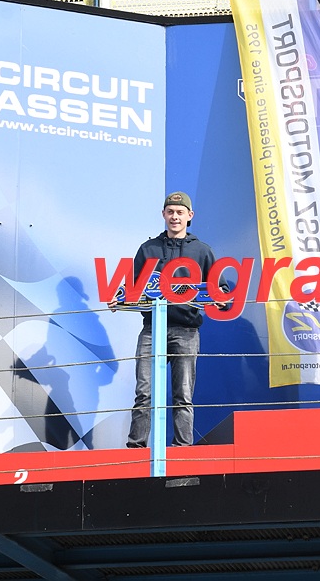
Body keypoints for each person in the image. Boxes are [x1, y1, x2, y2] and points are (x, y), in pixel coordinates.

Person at [111, 191, 228, 447]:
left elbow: (220, 289)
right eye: (170, 212)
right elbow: (131, 286)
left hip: (186, 330)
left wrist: (220, 298)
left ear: (190, 216)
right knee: (144, 392)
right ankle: (136, 448)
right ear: (163, 214)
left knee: (183, 394)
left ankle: (182, 449)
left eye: (180, 212)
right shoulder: (148, 249)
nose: (175, 217)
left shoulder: (202, 250)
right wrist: (118, 299)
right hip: (152, 329)